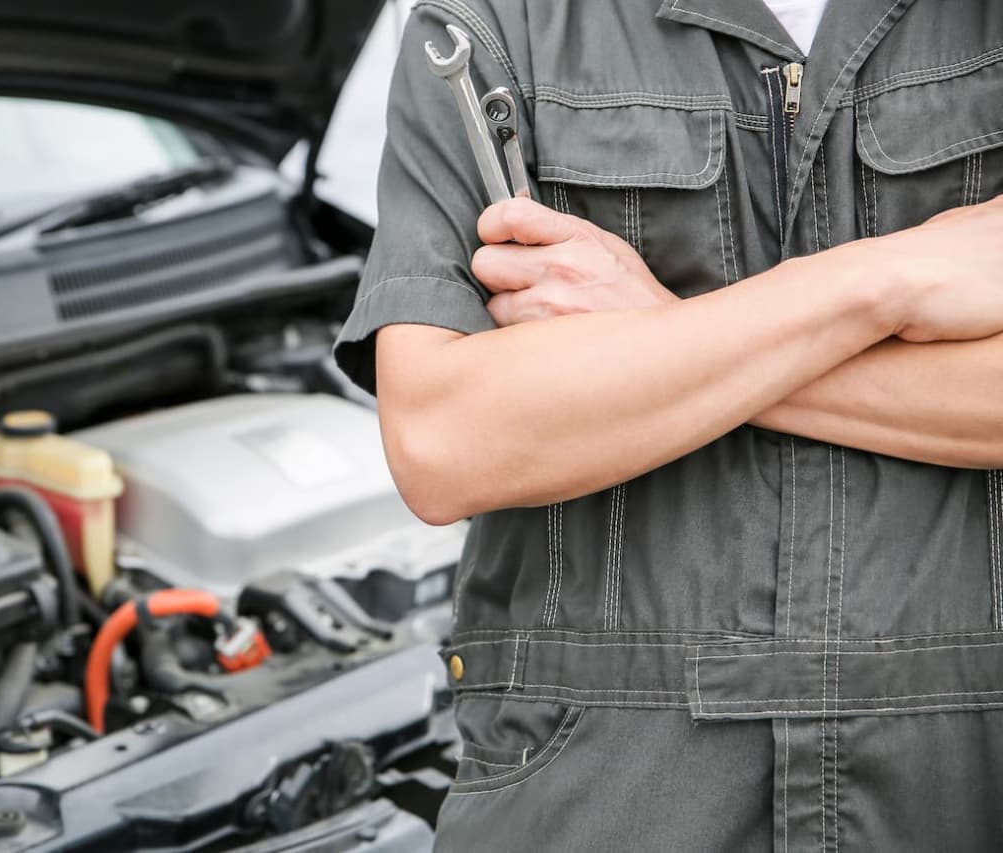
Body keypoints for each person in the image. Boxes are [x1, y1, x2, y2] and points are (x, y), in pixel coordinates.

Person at [332, 0, 1003, 849]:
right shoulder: (495, 19)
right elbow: (445, 439)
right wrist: (890, 278)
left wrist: (657, 334)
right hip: (602, 793)